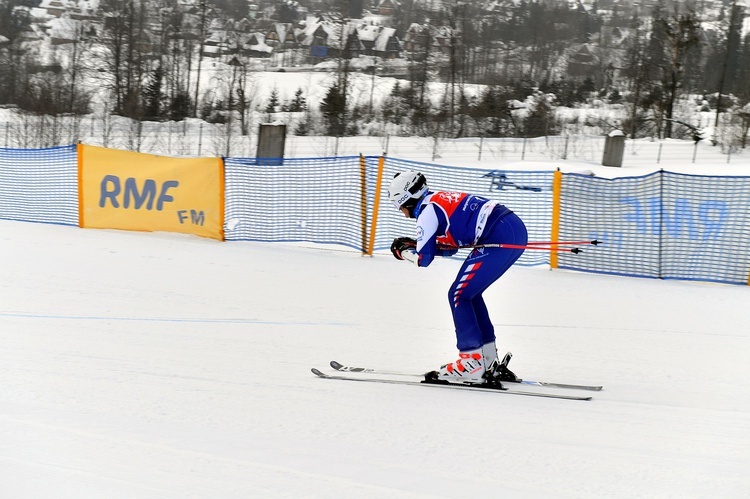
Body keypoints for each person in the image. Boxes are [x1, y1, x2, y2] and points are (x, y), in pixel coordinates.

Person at [388, 170, 528, 385]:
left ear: (407, 199)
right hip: (512, 228)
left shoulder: (426, 212)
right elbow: (449, 249)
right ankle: (487, 359)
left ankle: (471, 361)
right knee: (469, 294)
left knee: (459, 295)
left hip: (497, 234)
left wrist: (403, 252)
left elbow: (423, 260)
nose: (402, 213)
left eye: (399, 206)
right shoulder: (437, 200)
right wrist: (419, 245)